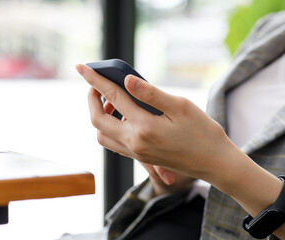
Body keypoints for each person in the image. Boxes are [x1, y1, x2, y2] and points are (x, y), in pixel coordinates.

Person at [65, 10, 285, 240]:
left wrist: (215, 165)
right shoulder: (271, 29)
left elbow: (218, 158)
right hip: (178, 213)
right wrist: (173, 173)